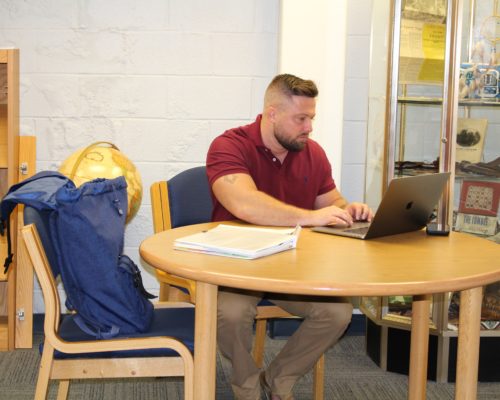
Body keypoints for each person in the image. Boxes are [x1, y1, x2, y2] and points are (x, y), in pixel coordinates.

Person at [206, 73, 373, 400]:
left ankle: (279, 378)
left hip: (292, 269)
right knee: (231, 313)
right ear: (272, 114)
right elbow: (244, 203)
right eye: (301, 118)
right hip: (237, 269)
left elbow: (331, 203)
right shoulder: (228, 145)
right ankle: (247, 385)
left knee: (338, 312)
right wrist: (310, 216)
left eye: (311, 118)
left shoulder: (313, 153)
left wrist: (348, 210)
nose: (309, 127)